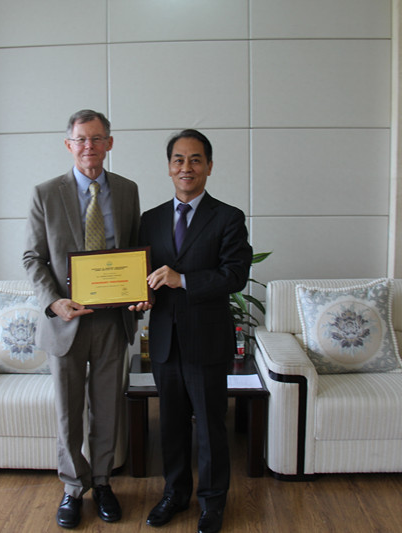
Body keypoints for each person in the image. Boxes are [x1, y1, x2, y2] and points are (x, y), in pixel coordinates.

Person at [23, 109, 142, 529]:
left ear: (109, 143)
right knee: (68, 413)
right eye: (81, 139)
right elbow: (32, 258)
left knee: (107, 408)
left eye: (96, 138)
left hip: (112, 321)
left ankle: (103, 482)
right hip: (65, 321)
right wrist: (54, 302)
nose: (88, 146)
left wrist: (139, 293)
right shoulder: (45, 194)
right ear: (69, 145)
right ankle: (74, 487)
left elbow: (135, 249)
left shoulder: (127, 190)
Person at [138, 129, 252, 533]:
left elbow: (235, 276)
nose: (186, 167)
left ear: (209, 166)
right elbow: (142, 275)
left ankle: (213, 502)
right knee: (170, 425)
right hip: (165, 341)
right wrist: (141, 297)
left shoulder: (228, 217)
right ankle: (175, 494)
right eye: (179, 160)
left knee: (209, 426)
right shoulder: (149, 219)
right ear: (169, 167)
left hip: (207, 340)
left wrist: (182, 280)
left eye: (196, 159)